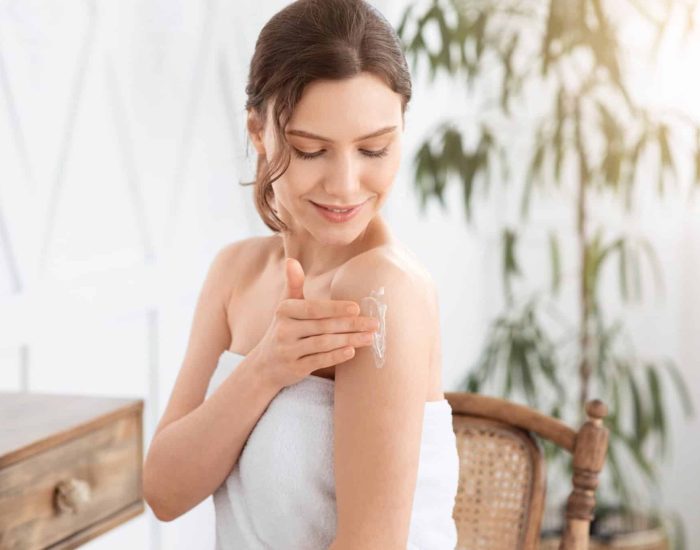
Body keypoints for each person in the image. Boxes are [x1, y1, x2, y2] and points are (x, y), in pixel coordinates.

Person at [143, 1, 460, 548]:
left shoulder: (380, 292)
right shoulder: (236, 275)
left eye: (373, 148)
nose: (345, 184)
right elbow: (165, 492)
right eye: (312, 151)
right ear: (259, 131)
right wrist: (266, 367)